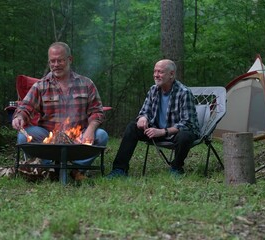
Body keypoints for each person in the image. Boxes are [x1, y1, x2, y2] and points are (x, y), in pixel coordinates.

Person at [12, 42, 108, 180]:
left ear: (70, 59)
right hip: (48, 136)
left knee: (101, 135)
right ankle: (48, 169)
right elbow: (25, 107)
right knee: (23, 137)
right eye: (52, 61)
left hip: (78, 136)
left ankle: (77, 170)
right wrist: (19, 116)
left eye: (60, 60)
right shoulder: (41, 85)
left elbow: (97, 111)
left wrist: (91, 129)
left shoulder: (86, 84)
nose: (56, 64)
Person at [106, 59, 200, 178]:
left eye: (160, 72)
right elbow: (145, 111)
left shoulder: (184, 93)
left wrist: (162, 131)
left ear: (171, 74)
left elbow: (188, 123)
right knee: (132, 127)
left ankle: (176, 168)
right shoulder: (153, 90)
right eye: (155, 71)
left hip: (176, 133)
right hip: (156, 131)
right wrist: (142, 118)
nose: (156, 75)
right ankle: (119, 170)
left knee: (185, 135)